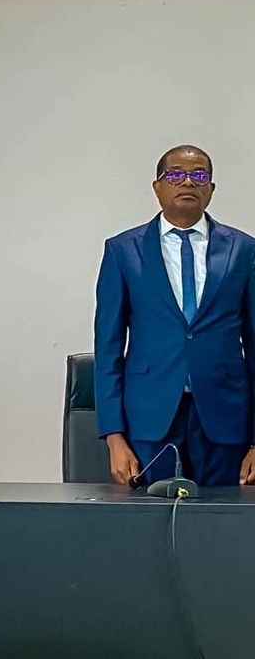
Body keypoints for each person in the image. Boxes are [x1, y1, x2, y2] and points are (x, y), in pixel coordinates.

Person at [94, 145, 255, 487]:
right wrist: (114, 436)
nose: (188, 182)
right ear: (157, 187)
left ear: (211, 189)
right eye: (175, 174)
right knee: (152, 518)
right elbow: (108, 349)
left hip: (226, 418)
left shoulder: (244, 250)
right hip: (149, 420)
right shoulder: (123, 251)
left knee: (224, 518)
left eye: (199, 175)